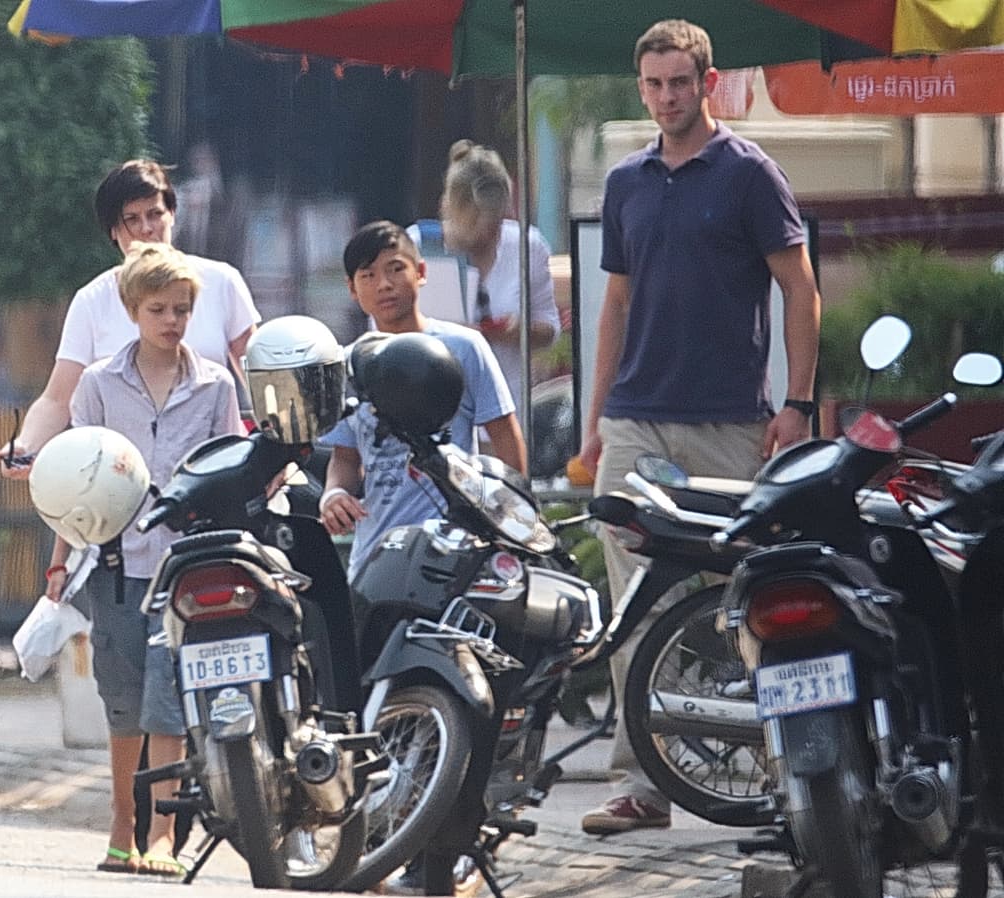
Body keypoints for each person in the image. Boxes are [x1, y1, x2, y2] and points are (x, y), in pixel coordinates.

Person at [577, 19, 821, 835]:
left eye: (680, 81)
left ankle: (780, 780)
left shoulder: (750, 174)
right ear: (640, 87)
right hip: (635, 420)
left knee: (742, 601)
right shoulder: (626, 181)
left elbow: (800, 288)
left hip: (729, 422)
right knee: (633, 606)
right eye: (653, 84)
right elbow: (614, 304)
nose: (666, 97)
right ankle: (642, 784)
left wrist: (799, 404)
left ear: (708, 83)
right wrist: (595, 422)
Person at [40, 242, 244, 876]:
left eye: (182, 309)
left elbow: (230, 467)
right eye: (159, 309)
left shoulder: (215, 385)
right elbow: (76, 482)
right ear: (132, 310)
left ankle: (162, 834)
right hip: (116, 567)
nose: (172, 321)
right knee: (124, 704)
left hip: (187, 568)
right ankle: (121, 824)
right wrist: (58, 562)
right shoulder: (99, 385)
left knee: (168, 700)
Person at [0, 158, 259, 474]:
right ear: (113, 231)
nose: (147, 229)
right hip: (119, 481)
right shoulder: (92, 301)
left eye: (155, 214)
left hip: (206, 477)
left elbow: (260, 379)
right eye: (132, 220)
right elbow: (57, 399)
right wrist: (25, 446)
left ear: (172, 214)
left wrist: (276, 453)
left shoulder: (221, 282)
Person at [319, 219, 526, 593]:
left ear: (421, 272)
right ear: (352, 288)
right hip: (376, 558)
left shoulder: (463, 347)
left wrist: (512, 524)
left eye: (396, 268)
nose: (384, 284)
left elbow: (505, 437)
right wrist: (334, 495)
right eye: (368, 275)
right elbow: (345, 458)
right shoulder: (347, 364)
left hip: (457, 552)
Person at [407, 139, 560, 414]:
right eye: (475, 225)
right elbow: (382, 332)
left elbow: (549, 327)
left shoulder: (527, 246)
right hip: (430, 406)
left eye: (497, 224)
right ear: (450, 209)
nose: (488, 235)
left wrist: (515, 331)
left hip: (506, 406)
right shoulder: (414, 248)